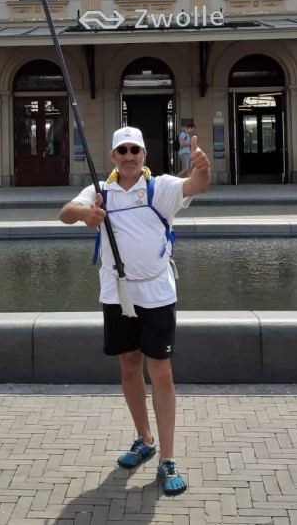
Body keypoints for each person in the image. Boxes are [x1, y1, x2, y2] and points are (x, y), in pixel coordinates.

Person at [58, 125, 210, 497]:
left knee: (160, 370)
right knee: (128, 363)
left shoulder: (161, 187)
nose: (128, 156)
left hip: (156, 292)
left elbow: (196, 186)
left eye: (134, 150)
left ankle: (167, 459)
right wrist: (84, 214)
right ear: (113, 157)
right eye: (122, 150)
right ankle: (144, 439)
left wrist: (202, 168)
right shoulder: (101, 191)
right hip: (116, 293)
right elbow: (64, 212)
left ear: (144, 155)